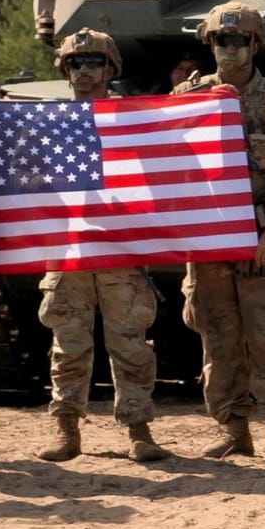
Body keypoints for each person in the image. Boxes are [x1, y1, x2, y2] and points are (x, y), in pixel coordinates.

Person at [173, 2, 265, 465]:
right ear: (209, 44)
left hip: (257, 237)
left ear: (255, 45)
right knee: (218, 335)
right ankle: (233, 428)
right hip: (207, 241)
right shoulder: (188, 99)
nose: (230, 50)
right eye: (220, 41)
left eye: (239, 41)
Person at [36, 29, 168, 464]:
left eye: (95, 63)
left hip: (120, 250)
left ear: (111, 69)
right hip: (68, 250)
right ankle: (66, 428)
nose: (85, 71)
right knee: (68, 344)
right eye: (76, 63)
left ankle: (138, 428)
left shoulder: (133, 121)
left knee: (130, 343)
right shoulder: (45, 123)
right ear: (64, 69)